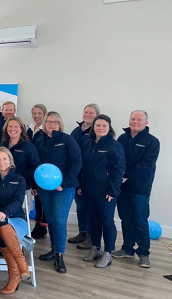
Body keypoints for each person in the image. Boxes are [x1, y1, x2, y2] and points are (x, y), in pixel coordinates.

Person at [34, 111, 82, 273]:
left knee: (60, 221)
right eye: (49, 122)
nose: (52, 124)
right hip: (44, 187)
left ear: (60, 123)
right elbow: (35, 163)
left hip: (64, 187)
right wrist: (35, 184)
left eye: (55, 122)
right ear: (44, 123)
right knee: (52, 219)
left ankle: (60, 255)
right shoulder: (39, 140)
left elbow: (77, 162)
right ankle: (54, 250)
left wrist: (65, 183)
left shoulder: (67, 140)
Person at [112, 110, 160, 268]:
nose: (135, 121)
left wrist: (126, 174)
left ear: (146, 122)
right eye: (133, 118)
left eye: (139, 119)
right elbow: (116, 159)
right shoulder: (122, 138)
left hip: (140, 188)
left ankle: (144, 253)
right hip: (122, 187)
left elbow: (147, 165)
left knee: (140, 220)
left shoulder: (152, 141)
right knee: (125, 219)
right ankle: (127, 249)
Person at [80, 115, 125, 268]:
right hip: (88, 189)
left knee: (106, 222)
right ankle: (95, 248)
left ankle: (108, 253)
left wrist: (113, 190)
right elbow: (83, 167)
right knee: (93, 220)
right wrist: (80, 185)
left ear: (109, 127)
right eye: (98, 125)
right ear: (93, 127)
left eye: (104, 126)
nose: (101, 128)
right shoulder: (87, 143)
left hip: (106, 192)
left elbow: (119, 169)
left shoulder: (114, 145)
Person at [0, 147, 30, 294]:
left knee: (2, 233)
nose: (2, 162)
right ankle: (20, 264)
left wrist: (5, 212)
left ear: (10, 160)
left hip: (17, 219)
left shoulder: (19, 179)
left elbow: (18, 201)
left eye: (4, 158)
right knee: (2, 225)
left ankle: (15, 275)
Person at [68, 103, 100, 249]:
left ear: (97, 115)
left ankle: (92, 238)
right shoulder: (77, 130)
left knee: (90, 207)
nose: (87, 114)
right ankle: (82, 232)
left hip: (88, 175)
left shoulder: (97, 131)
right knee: (80, 205)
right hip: (76, 174)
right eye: (86, 112)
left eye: (91, 113)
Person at [0, 117, 41, 191]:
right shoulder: (2, 145)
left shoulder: (28, 146)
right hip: (3, 186)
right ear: (6, 128)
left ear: (21, 129)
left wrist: (20, 177)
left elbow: (35, 167)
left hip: (22, 186)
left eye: (16, 127)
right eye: (10, 126)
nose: (13, 129)